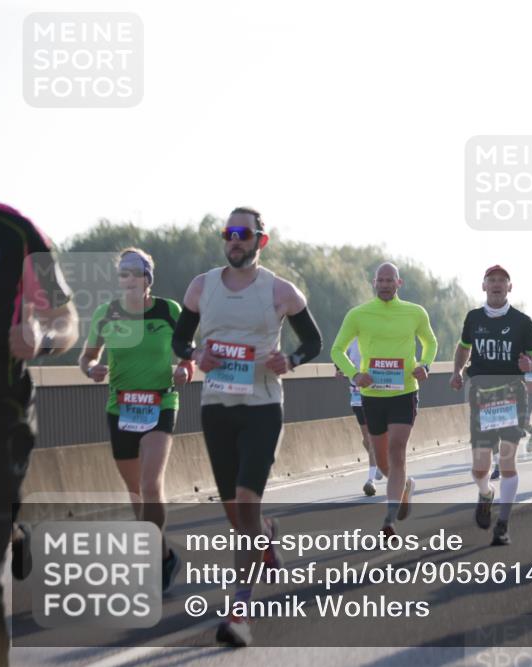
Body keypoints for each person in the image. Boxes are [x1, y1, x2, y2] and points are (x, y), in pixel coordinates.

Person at [172, 207, 323, 646]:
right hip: (217, 407)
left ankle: (240, 612)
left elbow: (312, 342)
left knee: (244, 501)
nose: (234, 240)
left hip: (261, 406)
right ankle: (266, 533)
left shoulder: (279, 290)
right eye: (228, 233)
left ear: (262, 240)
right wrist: (196, 355)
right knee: (238, 518)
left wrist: (289, 360)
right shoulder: (202, 286)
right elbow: (180, 340)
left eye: (243, 234)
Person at [79, 248, 193, 592]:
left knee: (149, 485)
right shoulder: (107, 312)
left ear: (147, 279)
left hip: (161, 402)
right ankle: (161, 555)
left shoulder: (169, 310)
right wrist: (91, 370)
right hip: (121, 408)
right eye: (122, 273)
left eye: (134, 272)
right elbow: (87, 357)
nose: (128, 279)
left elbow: (189, 353)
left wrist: (185, 369)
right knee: (134, 493)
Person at [0, 200, 78, 667]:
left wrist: (40, 340)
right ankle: (14, 534)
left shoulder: (17, 232)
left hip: (0, 410)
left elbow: (67, 322)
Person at [331, 262, 438, 539]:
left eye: (390, 280)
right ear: (374, 283)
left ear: (398, 283)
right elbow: (337, 350)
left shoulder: (415, 312)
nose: (386, 284)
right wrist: (355, 375)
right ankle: (404, 487)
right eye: (381, 280)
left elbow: (430, 342)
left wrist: (424, 365)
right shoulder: (358, 314)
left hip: (404, 391)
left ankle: (389, 520)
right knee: (381, 461)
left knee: (397, 450)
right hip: (372, 394)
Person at [451, 265, 532, 546]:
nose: (496, 284)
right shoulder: (473, 318)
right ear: (483, 286)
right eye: (491, 280)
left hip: (512, 395)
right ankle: (485, 493)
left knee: (507, 461)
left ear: (509, 287)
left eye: (501, 281)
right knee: (480, 468)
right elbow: (464, 346)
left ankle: (503, 523)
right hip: (481, 395)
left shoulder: (521, 321)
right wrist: (457, 371)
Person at [336, 338, 384, 497]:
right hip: (356, 395)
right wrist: (338, 368)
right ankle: (379, 464)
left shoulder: (375, 336)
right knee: (366, 439)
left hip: (374, 393)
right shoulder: (350, 339)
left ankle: (371, 480)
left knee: (371, 438)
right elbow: (340, 354)